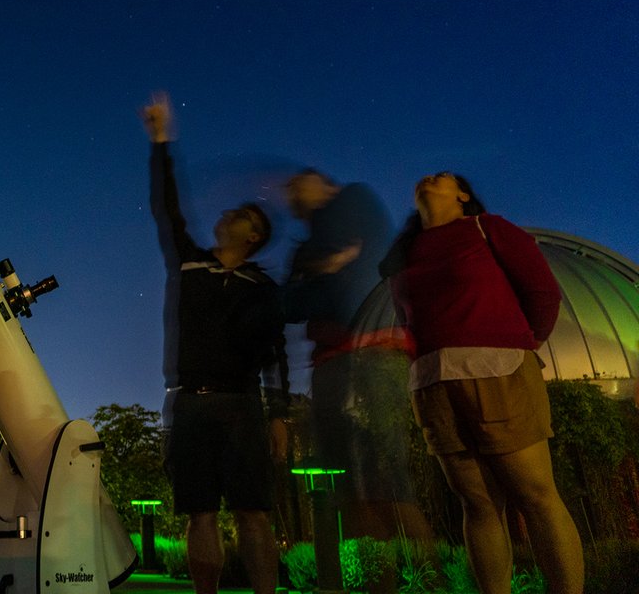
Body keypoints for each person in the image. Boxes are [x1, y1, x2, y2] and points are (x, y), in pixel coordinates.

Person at [379, 171, 584, 594]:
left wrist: (520, 346)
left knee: (537, 496)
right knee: (478, 503)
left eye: (442, 176)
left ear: (463, 195)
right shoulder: (406, 253)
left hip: (499, 373)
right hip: (434, 384)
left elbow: (544, 294)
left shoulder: (486, 229)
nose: (427, 177)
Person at [141, 92, 289, 594]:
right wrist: (162, 143)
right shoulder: (190, 261)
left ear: (254, 235)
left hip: (243, 406)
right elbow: (168, 209)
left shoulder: (263, 287)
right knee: (199, 514)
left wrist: (279, 415)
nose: (227, 213)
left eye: (241, 214)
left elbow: (277, 352)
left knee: (253, 513)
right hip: (190, 403)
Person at [283, 170, 432, 546]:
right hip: (335, 361)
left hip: (373, 354)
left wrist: (319, 269)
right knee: (347, 481)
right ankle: (373, 576)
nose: (290, 192)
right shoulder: (309, 246)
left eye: (299, 183)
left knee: (387, 476)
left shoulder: (353, 201)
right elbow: (291, 303)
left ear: (323, 183)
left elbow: (355, 282)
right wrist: (324, 266)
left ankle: (423, 577)